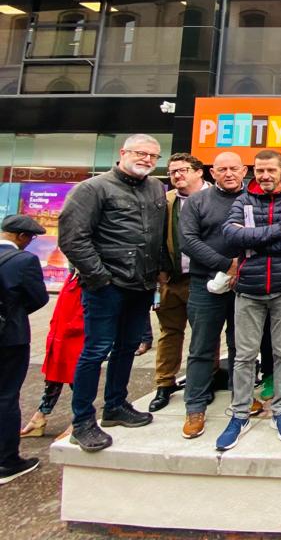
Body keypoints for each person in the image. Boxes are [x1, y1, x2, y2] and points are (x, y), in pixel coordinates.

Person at [58, 133, 168, 452]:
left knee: (128, 347)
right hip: (106, 286)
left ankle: (116, 406)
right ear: (123, 152)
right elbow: (73, 239)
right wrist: (100, 277)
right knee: (96, 351)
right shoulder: (93, 188)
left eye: (153, 156)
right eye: (141, 153)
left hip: (142, 284)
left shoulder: (154, 188)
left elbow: (157, 236)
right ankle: (82, 422)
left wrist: (158, 274)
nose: (147, 159)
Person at [216, 150, 281, 451]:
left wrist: (255, 239)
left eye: (271, 170)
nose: (265, 176)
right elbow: (231, 237)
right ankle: (240, 413)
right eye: (260, 171)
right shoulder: (244, 199)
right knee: (244, 355)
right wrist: (277, 231)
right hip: (249, 289)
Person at [178, 151, 250, 439]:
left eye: (234, 168)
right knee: (202, 347)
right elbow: (189, 242)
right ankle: (195, 407)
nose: (229, 173)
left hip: (245, 284)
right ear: (212, 172)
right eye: (222, 169)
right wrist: (226, 265)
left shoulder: (252, 200)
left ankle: (240, 398)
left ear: (244, 171)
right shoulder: (197, 202)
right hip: (205, 283)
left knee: (241, 346)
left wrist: (241, 269)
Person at [150, 152, 209, 413]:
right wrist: (161, 271)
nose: (177, 175)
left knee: (205, 334)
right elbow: (156, 238)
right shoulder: (166, 201)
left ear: (199, 172)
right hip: (172, 279)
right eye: (173, 171)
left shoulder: (215, 197)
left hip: (204, 278)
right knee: (169, 332)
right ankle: (164, 383)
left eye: (183, 170)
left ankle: (203, 383)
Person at [0, 214, 48, 484]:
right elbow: (38, 298)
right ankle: (7, 462)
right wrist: (13, 313)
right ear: (21, 237)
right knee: (6, 396)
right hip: (9, 337)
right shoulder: (23, 261)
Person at [20, 268, 83, 438]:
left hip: (75, 332)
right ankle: (40, 416)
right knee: (55, 372)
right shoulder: (72, 276)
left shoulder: (85, 277)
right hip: (61, 331)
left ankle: (80, 419)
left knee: (76, 375)